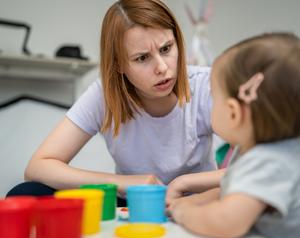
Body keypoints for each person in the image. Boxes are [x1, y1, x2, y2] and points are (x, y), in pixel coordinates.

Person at [7, 0, 217, 205]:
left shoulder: (205, 85)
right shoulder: (104, 94)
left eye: (166, 49)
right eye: (142, 58)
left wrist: (184, 184)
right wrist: (125, 184)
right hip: (131, 201)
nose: (162, 67)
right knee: (26, 193)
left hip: (200, 201)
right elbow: (37, 167)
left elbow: (249, 164)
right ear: (119, 65)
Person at [167, 32, 300, 238]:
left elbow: (225, 222)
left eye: (213, 96)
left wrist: (184, 213)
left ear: (233, 113)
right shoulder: (259, 151)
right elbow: (230, 191)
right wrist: (188, 202)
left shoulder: (270, 161)